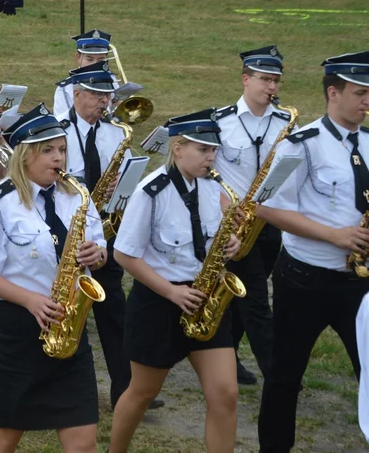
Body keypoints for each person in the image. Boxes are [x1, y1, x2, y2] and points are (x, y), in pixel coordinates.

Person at [0, 103, 107, 453]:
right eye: (48, 151)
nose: (59, 158)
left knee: (84, 439)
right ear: (25, 156)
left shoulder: (77, 196)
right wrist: (29, 299)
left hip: (67, 324)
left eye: (63, 149)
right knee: (6, 434)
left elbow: (99, 245)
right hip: (15, 331)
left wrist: (96, 254)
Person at [256, 51, 369, 453]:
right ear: (333, 93)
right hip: (305, 278)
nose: (366, 101)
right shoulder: (300, 145)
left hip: (360, 283)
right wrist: (333, 236)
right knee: (285, 376)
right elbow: (267, 206)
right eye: (359, 93)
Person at [109, 109, 242, 453]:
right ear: (178, 148)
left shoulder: (215, 187)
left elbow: (218, 236)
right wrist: (171, 292)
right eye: (202, 150)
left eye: (214, 150)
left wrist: (233, 243)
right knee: (142, 393)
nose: (211, 158)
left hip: (206, 298)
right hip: (159, 303)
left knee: (226, 394)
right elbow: (124, 254)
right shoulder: (150, 192)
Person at [54, 60, 158, 412]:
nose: (104, 102)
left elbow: (127, 180)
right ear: (77, 93)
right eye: (97, 95)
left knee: (115, 314)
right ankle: (61, 388)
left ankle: (125, 391)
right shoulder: (57, 131)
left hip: (104, 232)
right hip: (63, 230)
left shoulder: (117, 132)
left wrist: (121, 187)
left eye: (107, 96)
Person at [213, 46, 292, 386]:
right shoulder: (221, 122)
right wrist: (227, 218)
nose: (271, 88)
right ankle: (279, 374)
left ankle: (225, 358)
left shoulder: (287, 124)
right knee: (257, 298)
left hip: (272, 222)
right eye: (264, 79)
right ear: (246, 79)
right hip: (234, 225)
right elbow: (208, 175)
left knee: (240, 297)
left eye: (275, 81)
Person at [52, 30, 121, 118]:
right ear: (78, 58)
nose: (95, 64)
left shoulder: (112, 79)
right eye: (89, 59)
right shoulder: (65, 88)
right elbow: (62, 121)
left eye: (101, 60)